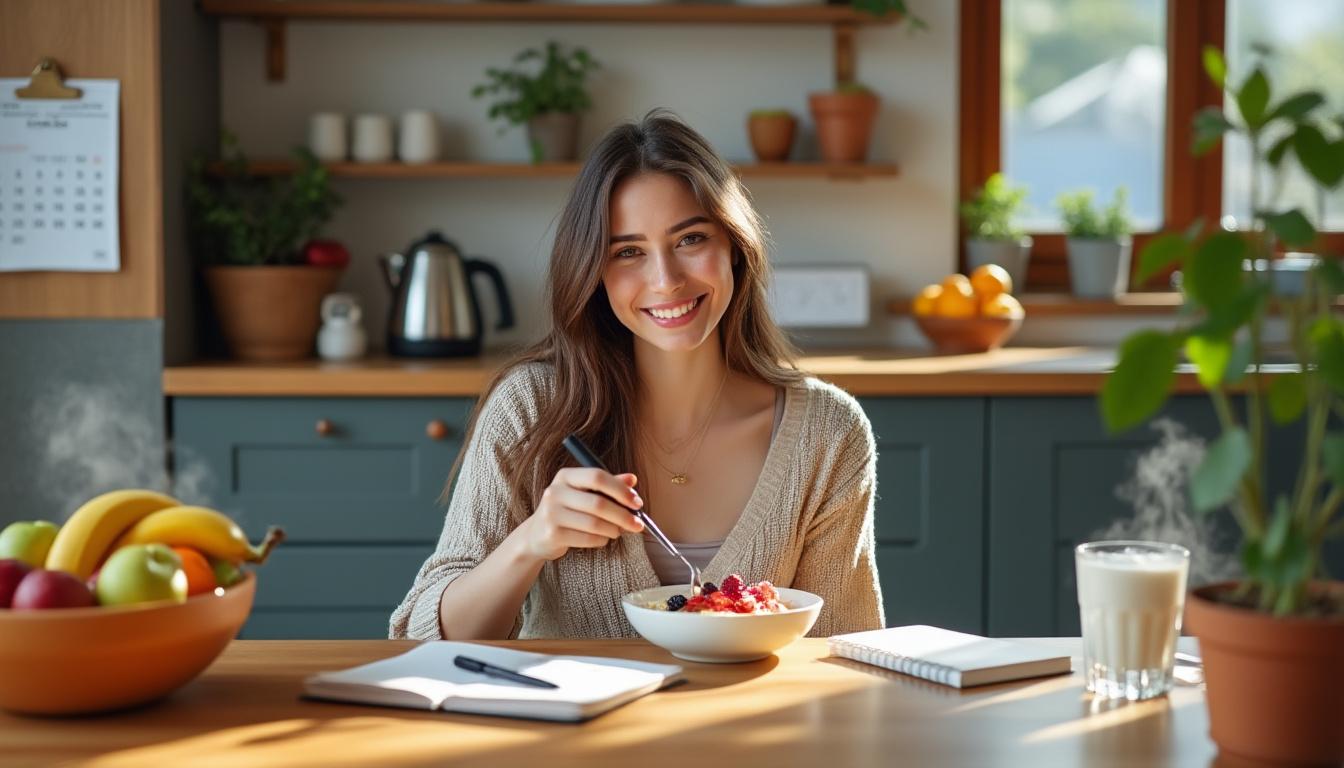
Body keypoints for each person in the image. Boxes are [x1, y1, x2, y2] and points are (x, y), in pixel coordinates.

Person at [390, 110, 883, 640]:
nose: (666, 280)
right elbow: (422, 639)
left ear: (734, 249)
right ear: (593, 273)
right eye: (627, 252)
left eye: (691, 239)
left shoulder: (829, 433)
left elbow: (845, 652)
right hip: (566, 722)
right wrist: (531, 542)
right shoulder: (530, 407)